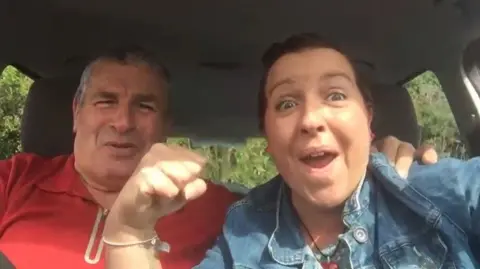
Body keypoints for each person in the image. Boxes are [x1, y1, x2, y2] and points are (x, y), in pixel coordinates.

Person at [0, 47, 436, 269]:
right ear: (76, 113)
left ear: (164, 126)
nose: (122, 121)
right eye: (105, 101)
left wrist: (371, 173)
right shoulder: (13, 181)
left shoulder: (233, 217)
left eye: (145, 106)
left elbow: (318, 217)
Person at [102, 34, 479, 269]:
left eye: (335, 95)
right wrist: (130, 229)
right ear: (268, 140)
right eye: (285, 104)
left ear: (367, 121)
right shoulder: (243, 233)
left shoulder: (439, 189)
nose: (311, 118)